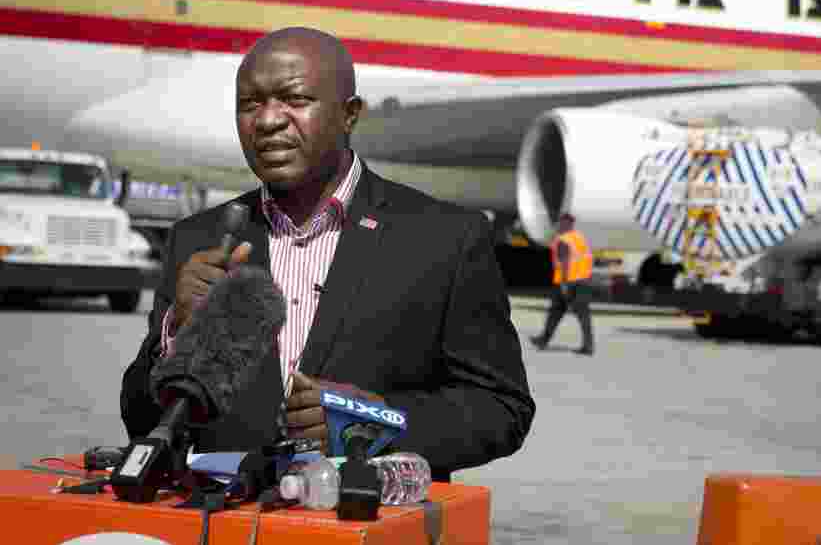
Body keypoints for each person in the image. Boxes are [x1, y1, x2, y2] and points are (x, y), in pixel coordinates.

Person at [120, 27, 535, 482]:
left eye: (294, 100)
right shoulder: (197, 239)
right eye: (250, 104)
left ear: (349, 114)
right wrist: (176, 334)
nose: (267, 120)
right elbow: (141, 419)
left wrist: (375, 422)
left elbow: (501, 409)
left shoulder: (445, 239)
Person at [530, 213, 595, 355]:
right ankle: (545, 339)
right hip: (583, 280)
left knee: (557, 312)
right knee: (578, 315)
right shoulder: (579, 238)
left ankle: (544, 339)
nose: (558, 226)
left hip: (569, 282)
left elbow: (565, 262)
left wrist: (565, 284)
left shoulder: (563, 240)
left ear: (565, 224)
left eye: (560, 223)